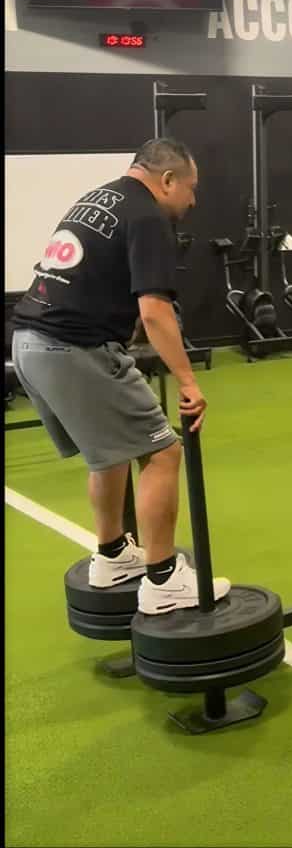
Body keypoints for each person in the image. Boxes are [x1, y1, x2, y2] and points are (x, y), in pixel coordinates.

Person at [12, 137, 231, 613]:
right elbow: (154, 312)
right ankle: (164, 580)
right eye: (191, 189)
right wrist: (189, 382)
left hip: (29, 343)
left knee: (107, 454)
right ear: (167, 180)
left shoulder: (97, 197)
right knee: (162, 452)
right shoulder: (149, 216)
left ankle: (112, 556)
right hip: (71, 349)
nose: (192, 201)